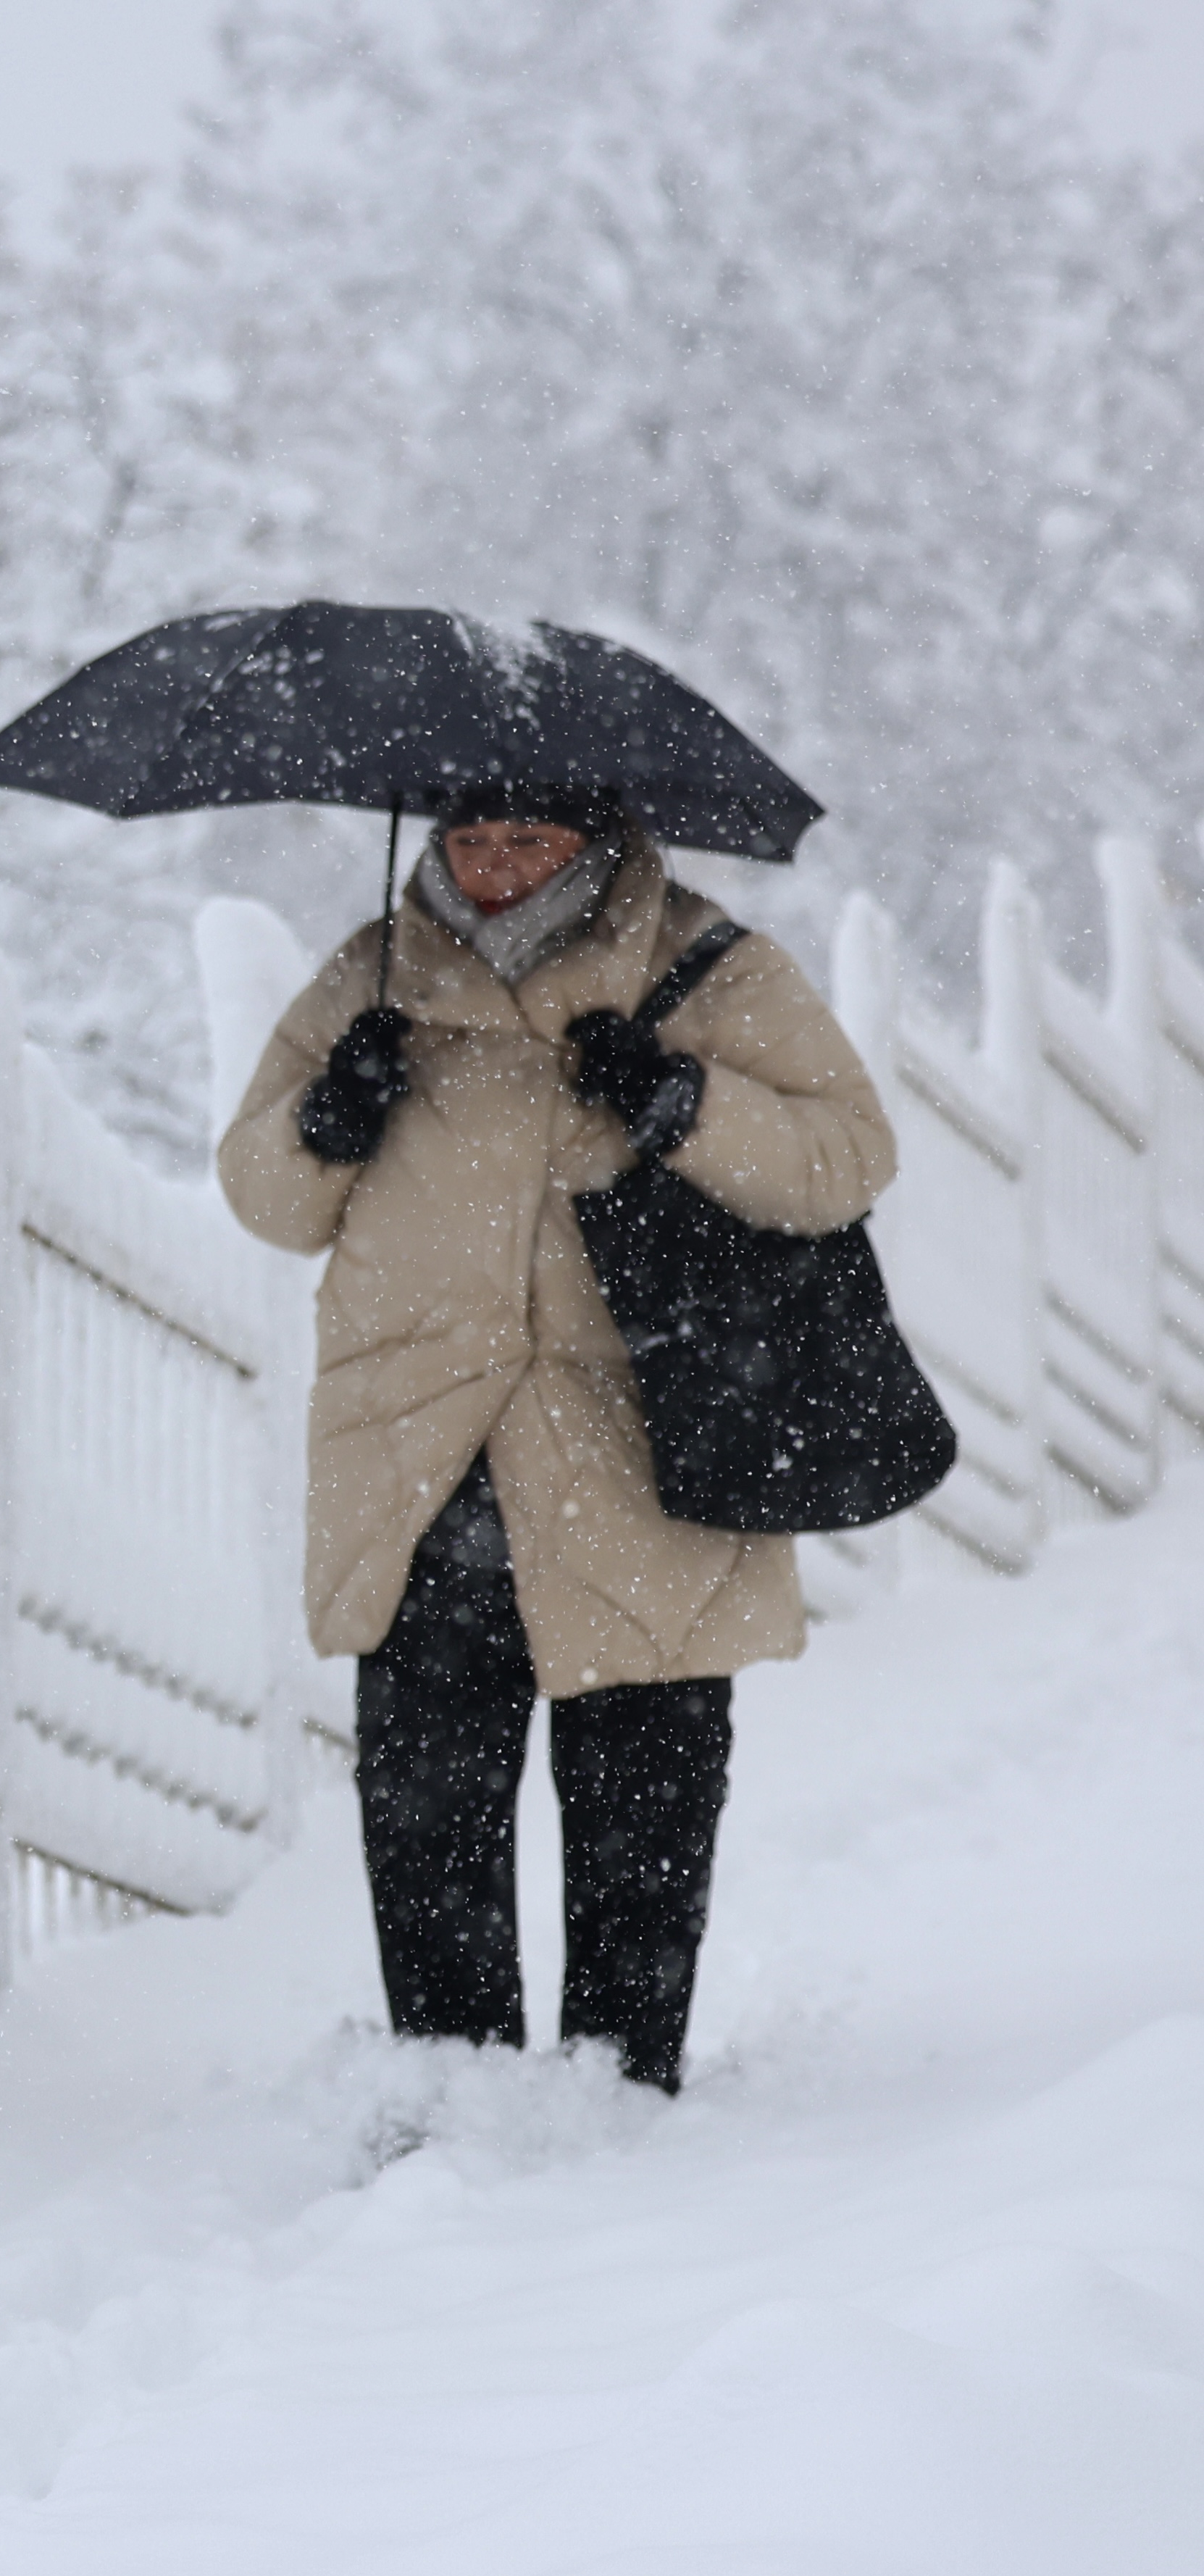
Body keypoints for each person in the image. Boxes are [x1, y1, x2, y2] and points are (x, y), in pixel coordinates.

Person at [216, 783, 899, 2091]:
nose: (490, 870)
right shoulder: (370, 975)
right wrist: (324, 1121)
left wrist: (678, 1101)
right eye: (466, 840)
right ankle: (452, 2094)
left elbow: (845, 1155)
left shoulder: (707, 964)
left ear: (596, 841)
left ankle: (618, 2097)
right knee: (426, 1809)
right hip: (417, 1446)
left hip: (638, 1439)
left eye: (524, 840)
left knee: (643, 1796)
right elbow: (263, 1193)